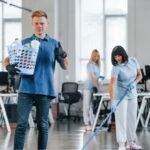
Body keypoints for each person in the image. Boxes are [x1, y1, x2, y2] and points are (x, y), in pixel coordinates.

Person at [3, 10, 69, 150]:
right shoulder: (24, 42)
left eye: (42, 23)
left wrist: (62, 55)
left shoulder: (54, 43)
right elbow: (7, 58)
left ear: (47, 24)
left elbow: (65, 66)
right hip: (26, 89)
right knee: (21, 125)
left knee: (43, 125)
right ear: (32, 24)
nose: (40, 26)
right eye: (37, 23)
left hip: (45, 89)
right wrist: (8, 66)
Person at [109, 45, 142, 150]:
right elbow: (112, 85)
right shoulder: (116, 68)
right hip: (120, 96)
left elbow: (140, 75)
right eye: (115, 57)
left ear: (123, 54)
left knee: (132, 119)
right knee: (121, 120)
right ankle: (122, 144)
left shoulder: (133, 61)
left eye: (118, 56)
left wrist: (134, 83)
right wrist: (113, 100)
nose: (117, 59)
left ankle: (131, 142)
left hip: (132, 94)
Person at [83, 49, 102, 131]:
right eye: (95, 56)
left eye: (98, 56)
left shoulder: (97, 65)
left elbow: (97, 77)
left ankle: (93, 123)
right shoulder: (89, 64)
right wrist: (97, 87)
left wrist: (98, 85)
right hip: (88, 87)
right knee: (86, 106)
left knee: (92, 106)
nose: (96, 57)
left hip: (93, 88)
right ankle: (86, 123)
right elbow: (92, 77)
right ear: (92, 56)